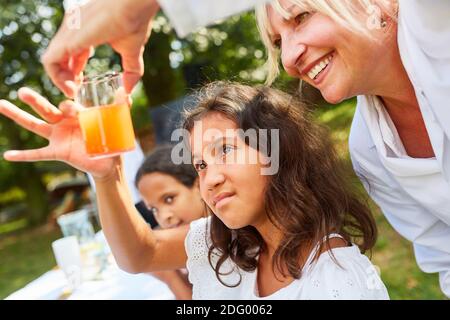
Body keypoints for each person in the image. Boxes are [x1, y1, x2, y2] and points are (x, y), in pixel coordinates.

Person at [0, 82, 389, 299]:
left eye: (224, 151)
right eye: (200, 165)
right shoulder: (221, 242)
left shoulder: (341, 282)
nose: (211, 178)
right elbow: (139, 254)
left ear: (278, 149)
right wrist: (106, 176)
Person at [254, 0, 450, 297]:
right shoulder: (368, 149)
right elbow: (445, 257)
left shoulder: (435, 19)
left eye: (301, 17)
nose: (289, 60)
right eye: (279, 42)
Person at [134, 144, 205, 299]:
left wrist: (170, 277)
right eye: (153, 209)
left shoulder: (220, 235)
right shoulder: (184, 238)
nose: (164, 216)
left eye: (169, 199)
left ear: (199, 186)